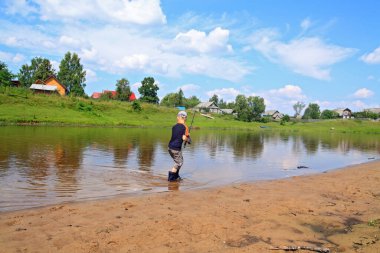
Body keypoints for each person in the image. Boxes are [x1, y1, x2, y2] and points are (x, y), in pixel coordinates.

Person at [168, 111, 190, 181]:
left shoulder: (174, 126)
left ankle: (176, 176)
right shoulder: (185, 127)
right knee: (179, 163)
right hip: (176, 149)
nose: (176, 117)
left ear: (179, 117)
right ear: (185, 118)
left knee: (180, 160)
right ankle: (171, 179)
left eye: (177, 116)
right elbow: (186, 139)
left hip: (170, 148)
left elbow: (177, 136)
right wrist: (187, 139)